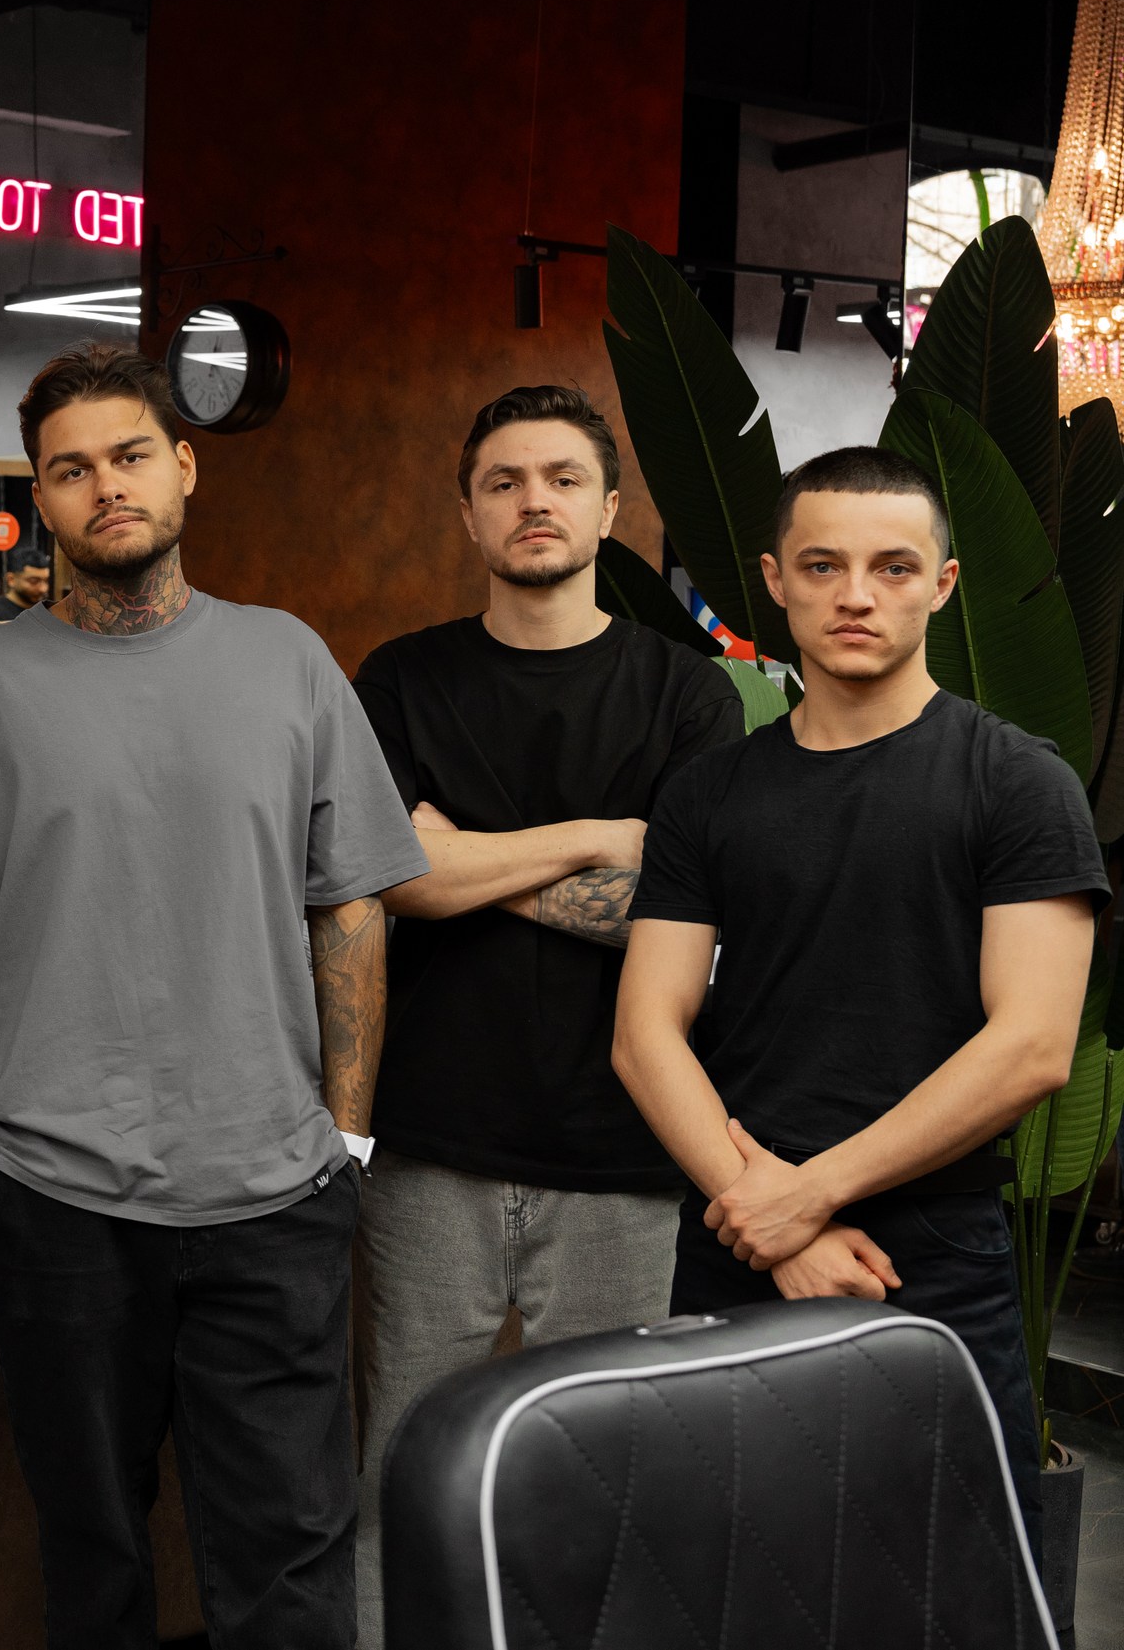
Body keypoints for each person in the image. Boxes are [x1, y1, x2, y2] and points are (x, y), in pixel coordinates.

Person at [0, 343, 426, 1649]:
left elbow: (352, 904)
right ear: (40, 499)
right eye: (70, 469)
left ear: (185, 468)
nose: (105, 486)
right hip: (56, 1201)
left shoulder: (288, 661)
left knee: (288, 1566)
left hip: (274, 1196)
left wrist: (344, 1135)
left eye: (130, 455)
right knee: (92, 1561)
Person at [613, 445, 1103, 1551]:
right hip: (738, 1232)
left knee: (965, 1583)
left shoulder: (1016, 781)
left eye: (893, 567)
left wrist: (809, 1195)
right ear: (774, 580)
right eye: (823, 564)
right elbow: (646, 1034)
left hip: (932, 1250)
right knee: (729, 1575)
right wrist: (771, 1220)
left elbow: (1032, 1045)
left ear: (942, 584)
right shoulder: (709, 792)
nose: (855, 595)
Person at [348, 385, 745, 1643]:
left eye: (564, 479)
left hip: (622, 1152)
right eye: (505, 481)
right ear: (468, 513)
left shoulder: (687, 693)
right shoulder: (401, 678)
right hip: (429, 1147)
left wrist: (459, 860)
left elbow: (681, 918)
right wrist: (597, 836)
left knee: (609, 1477)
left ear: (608, 508)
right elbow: (387, 879)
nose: (535, 502)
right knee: (404, 1470)